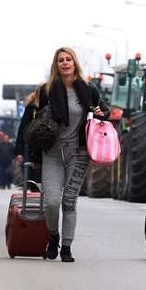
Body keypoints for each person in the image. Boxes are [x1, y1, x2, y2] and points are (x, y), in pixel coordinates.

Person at [38, 47, 109, 263]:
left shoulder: (87, 89)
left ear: (74, 63)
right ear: (56, 65)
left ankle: (66, 247)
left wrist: (100, 113)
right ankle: (53, 236)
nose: (65, 63)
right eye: (61, 60)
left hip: (78, 153)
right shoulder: (47, 90)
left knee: (69, 201)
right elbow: (38, 122)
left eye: (69, 59)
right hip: (52, 153)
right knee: (51, 202)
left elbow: (105, 112)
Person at [15, 83, 43, 188]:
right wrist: (19, 151)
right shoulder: (31, 108)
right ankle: (34, 194)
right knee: (33, 176)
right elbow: (22, 130)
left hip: (47, 146)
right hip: (31, 147)